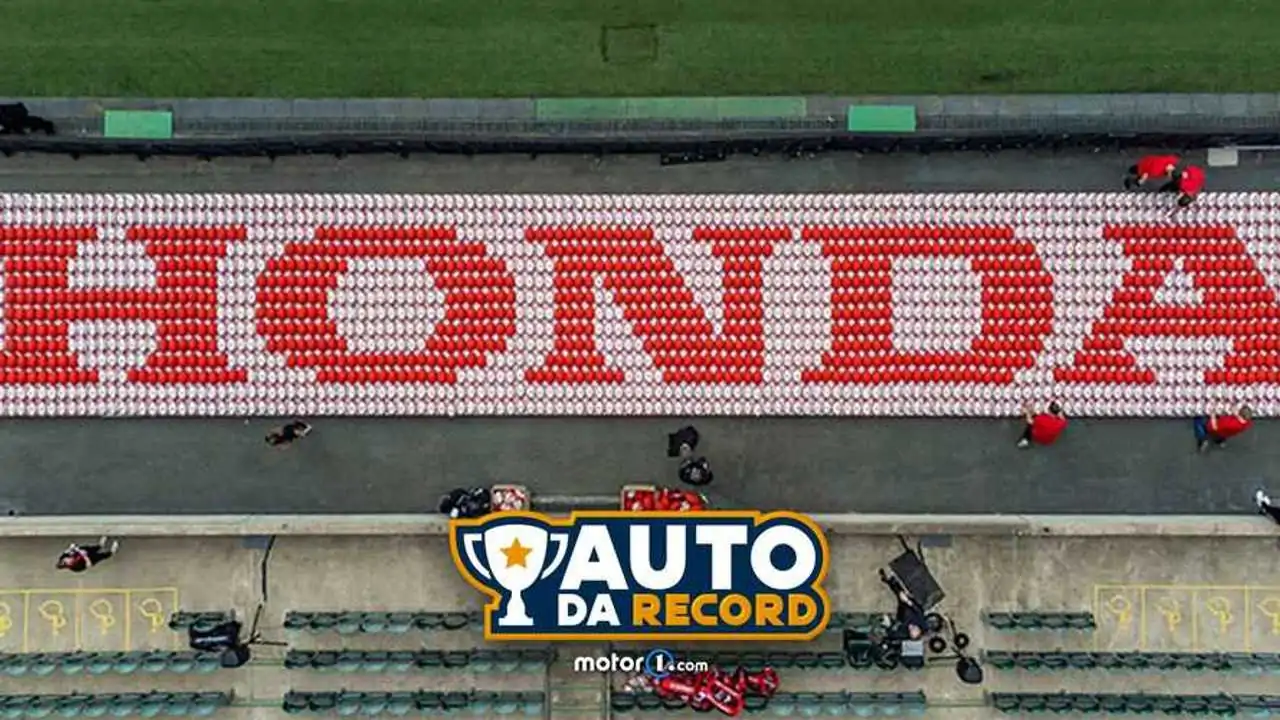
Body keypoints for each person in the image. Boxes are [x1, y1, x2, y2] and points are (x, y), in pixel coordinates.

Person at [878, 567, 926, 640]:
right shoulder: (920, 621)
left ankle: (889, 580)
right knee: (900, 592)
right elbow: (918, 610)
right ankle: (890, 580)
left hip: (902, 612)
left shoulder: (904, 632)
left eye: (911, 632)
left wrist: (888, 625)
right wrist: (907, 600)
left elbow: (893, 635)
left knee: (899, 594)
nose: (912, 628)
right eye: (915, 629)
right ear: (919, 629)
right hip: (910, 606)